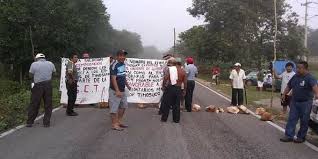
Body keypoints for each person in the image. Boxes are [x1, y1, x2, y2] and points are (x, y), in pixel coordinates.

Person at [280, 61, 318, 143]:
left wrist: (317, 95)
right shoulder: (295, 77)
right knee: (291, 119)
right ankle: (289, 136)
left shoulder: (310, 78)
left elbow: (315, 88)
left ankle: (301, 137)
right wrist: (284, 94)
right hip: (294, 101)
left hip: (306, 103)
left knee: (304, 120)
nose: (297, 69)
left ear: (305, 69)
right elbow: (289, 86)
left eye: (300, 68)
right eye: (297, 68)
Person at [27, 53, 56, 127]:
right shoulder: (50, 63)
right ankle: (46, 123)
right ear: (44, 58)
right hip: (48, 85)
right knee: (48, 104)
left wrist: (37, 76)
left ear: (37, 58)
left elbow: (30, 75)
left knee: (34, 104)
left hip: (38, 86)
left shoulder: (34, 64)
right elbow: (54, 73)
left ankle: (30, 122)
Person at [109, 50, 131, 131]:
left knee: (123, 106)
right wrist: (117, 90)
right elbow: (113, 79)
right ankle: (114, 124)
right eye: (121, 55)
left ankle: (119, 121)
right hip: (115, 90)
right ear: (117, 56)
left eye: (124, 55)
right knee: (114, 108)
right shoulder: (114, 65)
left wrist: (127, 85)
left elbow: (123, 76)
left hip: (123, 90)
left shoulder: (123, 64)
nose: (123, 57)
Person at [161, 58, 187, 123]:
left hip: (170, 88)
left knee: (167, 104)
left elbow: (165, 78)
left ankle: (164, 119)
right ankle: (176, 120)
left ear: (174, 63)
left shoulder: (170, 69)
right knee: (176, 105)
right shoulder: (183, 71)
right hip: (178, 88)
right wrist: (184, 90)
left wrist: (163, 86)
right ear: (180, 63)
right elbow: (185, 82)